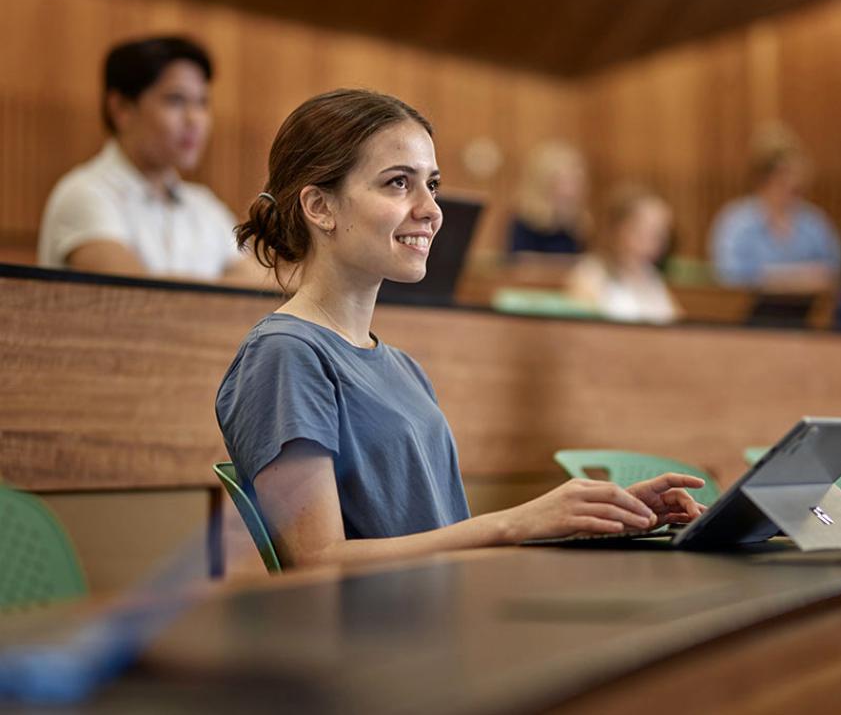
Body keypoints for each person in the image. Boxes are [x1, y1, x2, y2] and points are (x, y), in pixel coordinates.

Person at [215, 90, 705, 569]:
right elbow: (318, 563)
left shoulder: (402, 367)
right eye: (397, 183)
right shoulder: (286, 354)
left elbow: (442, 544)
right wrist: (518, 522)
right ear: (320, 207)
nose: (431, 209)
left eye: (432, 184)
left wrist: (586, 520)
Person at [37, 35, 269, 287]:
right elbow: (140, 298)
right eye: (176, 100)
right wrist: (224, 282)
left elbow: (257, 285)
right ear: (121, 108)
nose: (195, 120)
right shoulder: (84, 194)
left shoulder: (204, 206)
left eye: (202, 102)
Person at [708, 124, 841, 291]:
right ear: (763, 177)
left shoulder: (814, 222)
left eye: (796, 174)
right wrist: (797, 278)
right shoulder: (735, 222)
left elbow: (834, 272)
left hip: (809, 313)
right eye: (782, 175)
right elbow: (730, 277)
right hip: (750, 314)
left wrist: (769, 276)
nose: (791, 182)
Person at [565, 185, 681, 324]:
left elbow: (679, 326)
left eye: (661, 233)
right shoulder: (590, 275)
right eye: (646, 231)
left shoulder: (652, 276)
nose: (656, 241)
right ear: (619, 229)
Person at [507, 141, 589, 255]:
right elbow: (521, 262)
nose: (574, 187)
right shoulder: (524, 222)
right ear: (544, 182)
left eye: (576, 179)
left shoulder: (577, 223)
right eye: (565, 180)